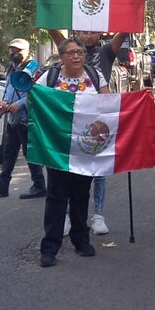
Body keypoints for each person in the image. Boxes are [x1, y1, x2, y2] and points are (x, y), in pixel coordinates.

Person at [48, 29, 128, 235]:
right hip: (67, 128)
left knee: (99, 172)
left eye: (93, 32)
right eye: (84, 32)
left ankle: (98, 216)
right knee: (67, 172)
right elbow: (55, 36)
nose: (89, 36)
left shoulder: (105, 53)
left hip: (97, 123)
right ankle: (66, 217)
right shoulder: (62, 60)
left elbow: (122, 34)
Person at [37, 37, 108, 267]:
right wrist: (14, 105)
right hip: (57, 148)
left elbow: (109, 104)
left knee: (80, 195)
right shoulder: (50, 77)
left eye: (79, 52)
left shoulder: (95, 76)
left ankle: (81, 240)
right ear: (62, 56)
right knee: (56, 197)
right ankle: (49, 247)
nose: (77, 56)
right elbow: (34, 98)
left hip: (86, 148)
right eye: (71, 53)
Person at [0, 38, 47, 200]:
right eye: (12, 49)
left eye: (18, 50)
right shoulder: (12, 67)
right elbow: (9, 88)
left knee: (29, 151)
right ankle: (3, 185)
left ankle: (39, 185)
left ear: (27, 51)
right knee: (9, 153)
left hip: (27, 117)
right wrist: (3, 102)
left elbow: (37, 91)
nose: (14, 53)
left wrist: (19, 104)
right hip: (13, 117)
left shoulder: (33, 68)